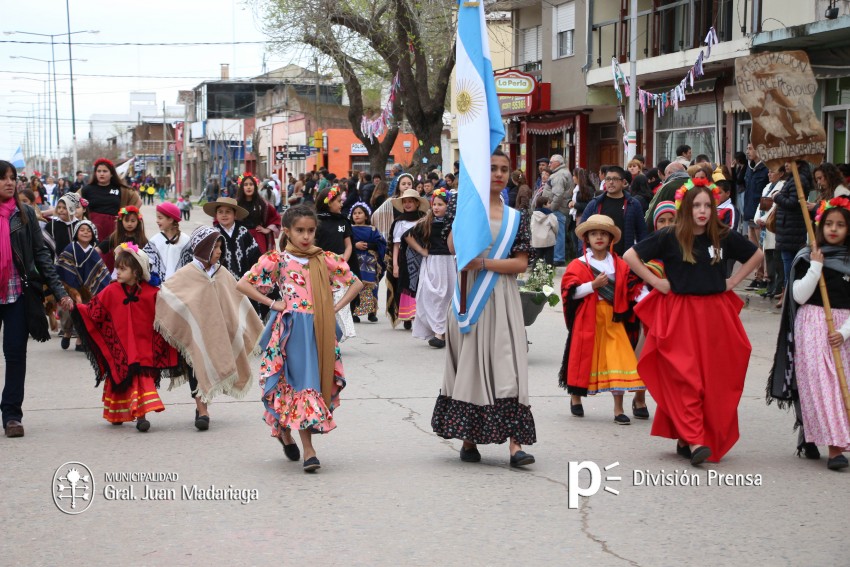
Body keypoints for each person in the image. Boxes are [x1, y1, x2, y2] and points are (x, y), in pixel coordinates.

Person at [624, 181, 763, 464]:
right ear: (686, 208)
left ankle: (684, 434)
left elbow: (757, 254)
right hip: (681, 314)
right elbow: (630, 255)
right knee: (686, 377)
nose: (702, 211)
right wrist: (656, 282)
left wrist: (733, 281)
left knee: (713, 379)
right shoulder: (670, 235)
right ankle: (696, 439)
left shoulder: (722, 235)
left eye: (707, 205)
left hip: (715, 315)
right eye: (696, 205)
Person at [430, 149, 536, 468]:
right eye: (492, 168)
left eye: (504, 169)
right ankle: (469, 438)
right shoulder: (464, 208)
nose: (500, 174)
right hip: (469, 296)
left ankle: (515, 445)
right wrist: (465, 215)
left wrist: (486, 262)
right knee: (471, 367)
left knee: (509, 367)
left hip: (502, 297)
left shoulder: (516, 216)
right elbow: (452, 248)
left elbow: (521, 263)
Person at [236, 205, 362, 472]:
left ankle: (286, 433)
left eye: (311, 231)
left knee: (306, 384)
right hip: (290, 331)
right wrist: (273, 303)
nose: (306, 236)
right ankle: (309, 450)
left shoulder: (324, 258)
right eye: (300, 230)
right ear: (287, 231)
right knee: (296, 385)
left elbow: (356, 283)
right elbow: (243, 283)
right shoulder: (278, 260)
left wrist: (333, 309)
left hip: (319, 329)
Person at [768, 197, 850, 470]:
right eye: (829, 224)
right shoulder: (807, 256)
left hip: (843, 330)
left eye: (840, 224)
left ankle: (813, 434)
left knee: (840, 386)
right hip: (813, 324)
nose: (834, 229)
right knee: (821, 386)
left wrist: (845, 332)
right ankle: (836, 449)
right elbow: (798, 295)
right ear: (820, 226)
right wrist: (816, 266)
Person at [155, 226, 263, 431]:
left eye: (221, 247)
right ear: (204, 249)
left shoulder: (222, 273)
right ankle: (201, 408)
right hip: (198, 333)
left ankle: (204, 403)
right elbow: (167, 294)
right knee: (197, 363)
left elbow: (236, 300)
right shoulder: (187, 274)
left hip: (219, 331)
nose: (220, 251)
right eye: (215, 247)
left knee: (214, 361)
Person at [0, 161, 74, 438]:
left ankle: (12, 416)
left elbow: (42, 255)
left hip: (17, 292)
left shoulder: (25, 213)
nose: (10, 182)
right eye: (3, 178)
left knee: (15, 354)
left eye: (13, 178)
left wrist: (60, 293)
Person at [73, 243, 179, 431]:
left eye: (123, 269)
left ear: (137, 272)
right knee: (118, 375)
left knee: (141, 376)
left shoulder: (152, 293)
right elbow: (94, 311)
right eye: (117, 269)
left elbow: (166, 315)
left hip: (143, 346)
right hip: (120, 346)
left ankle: (141, 416)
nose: (118, 273)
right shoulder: (111, 291)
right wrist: (77, 308)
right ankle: (117, 413)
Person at [560, 215, 644, 423]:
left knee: (620, 359)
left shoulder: (620, 265)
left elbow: (630, 290)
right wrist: (593, 285)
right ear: (586, 238)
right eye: (594, 233)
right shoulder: (578, 265)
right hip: (587, 318)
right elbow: (570, 293)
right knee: (583, 358)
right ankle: (576, 397)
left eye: (604, 234)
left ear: (610, 239)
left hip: (614, 318)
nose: (599, 237)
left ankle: (618, 409)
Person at [405, 188, 456, 348]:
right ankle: (437, 331)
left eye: (440, 204)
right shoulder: (427, 222)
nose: (436, 207)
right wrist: (421, 251)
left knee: (448, 296)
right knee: (431, 295)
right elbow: (408, 235)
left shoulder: (454, 222)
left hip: (450, 263)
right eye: (434, 204)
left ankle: (442, 333)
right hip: (433, 262)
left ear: (448, 206)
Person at [56, 220, 110, 352]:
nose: (85, 232)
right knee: (68, 313)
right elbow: (63, 267)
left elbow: (100, 272)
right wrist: (73, 290)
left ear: (93, 234)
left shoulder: (93, 252)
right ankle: (67, 332)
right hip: (70, 288)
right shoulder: (70, 249)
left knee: (85, 313)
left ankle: (80, 339)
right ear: (76, 233)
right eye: (82, 230)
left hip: (88, 291)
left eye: (89, 230)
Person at [315, 186, 359, 341]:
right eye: (339, 201)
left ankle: (338, 335)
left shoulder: (343, 221)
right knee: (322, 300)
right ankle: (325, 334)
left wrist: (342, 262)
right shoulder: (317, 222)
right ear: (328, 202)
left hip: (340, 267)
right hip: (321, 266)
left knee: (341, 301)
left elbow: (348, 245)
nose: (341, 204)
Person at [385, 184, 428, 330]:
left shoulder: (424, 219)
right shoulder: (400, 221)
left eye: (410, 201)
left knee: (421, 284)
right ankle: (408, 316)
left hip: (423, 256)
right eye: (405, 202)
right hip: (405, 258)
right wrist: (395, 265)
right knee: (407, 286)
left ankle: (421, 315)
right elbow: (396, 245)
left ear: (417, 203)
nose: (407, 204)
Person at [580, 165, 647, 257]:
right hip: (598, 258)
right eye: (608, 179)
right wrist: (583, 253)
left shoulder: (633, 204)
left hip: (624, 258)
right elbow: (582, 229)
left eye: (615, 179)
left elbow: (642, 232)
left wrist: (641, 255)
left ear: (623, 182)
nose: (611, 182)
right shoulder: (595, 204)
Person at [79, 158, 142, 245]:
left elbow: (138, 202)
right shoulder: (87, 189)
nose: (101, 174)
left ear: (111, 173)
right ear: (95, 173)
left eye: (105, 171)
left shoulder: (121, 189)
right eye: (99, 171)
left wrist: (124, 216)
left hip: (114, 230)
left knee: (113, 255)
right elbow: (71, 200)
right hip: (93, 230)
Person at [203, 197, 260, 282]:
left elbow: (255, 256)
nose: (224, 215)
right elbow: (208, 260)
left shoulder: (243, 232)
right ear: (216, 215)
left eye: (228, 212)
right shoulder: (213, 234)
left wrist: (254, 277)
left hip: (245, 282)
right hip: (222, 283)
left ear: (235, 214)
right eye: (220, 212)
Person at [350, 202, 386, 323]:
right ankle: (354, 311)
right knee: (355, 285)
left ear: (366, 216)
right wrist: (355, 245)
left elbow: (381, 243)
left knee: (372, 286)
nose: (357, 215)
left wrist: (370, 245)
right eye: (355, 213)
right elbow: (345, 242)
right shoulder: (350, 229)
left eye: (360, 213)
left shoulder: (373, 229)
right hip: (355, 261)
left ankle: (372, 312)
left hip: (370, 261)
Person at [144, 202, 190, 284]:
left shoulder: (185, 240)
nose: (157, 221)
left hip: (180, 286)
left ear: (170, 219)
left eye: (160, 218)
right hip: (158, 286)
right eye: (157, 218)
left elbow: (193, 263)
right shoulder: (155, 240)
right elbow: (144, 259)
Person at [236, 173, 281, 254]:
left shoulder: (263, 204)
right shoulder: (236, 204)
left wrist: (267, 229)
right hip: (240, 238)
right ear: (242, 187)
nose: (248, 187)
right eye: (246, 185)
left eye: (251, 184)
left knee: (259, 264)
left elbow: (276, 217)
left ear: (255, 187)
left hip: (258, 238)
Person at [544, 154, 575, 266]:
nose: (549, 165)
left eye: (551, 162)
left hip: (559, 209)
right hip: (562, 208)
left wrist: (551, 208)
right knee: (559, 233)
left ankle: (558, 258)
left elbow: (558, 194)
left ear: (558, 163)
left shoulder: (559, 175)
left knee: (558, 234)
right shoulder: (563, 173)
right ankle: (558, 257)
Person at [98, 206, 147, 274]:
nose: (129, 224)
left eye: (133, 221)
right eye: (126, 220)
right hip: (119, 271)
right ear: (121, 220)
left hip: (136, 272)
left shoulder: (142, 239)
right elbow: (98, 249)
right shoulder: (115, 237)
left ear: (138, 221)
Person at [43, 194, 80, 259]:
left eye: (65, 208)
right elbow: (45, 247)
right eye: (59, 207)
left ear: (72, 208)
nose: (61, 210)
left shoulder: (79, 225)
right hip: (56, 264)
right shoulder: (51, 225)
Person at [531, 195, 558, 266]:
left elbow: (532, 227)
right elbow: (555, 226)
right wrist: (555, 234)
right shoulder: (550, 215)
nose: (550, 204)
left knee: (538, 257)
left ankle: (535, 272)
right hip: (549, 239)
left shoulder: (534, 215)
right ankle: (549, 273)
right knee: (549, 258)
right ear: (544, 205)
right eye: (549, 203)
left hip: (537, 240)